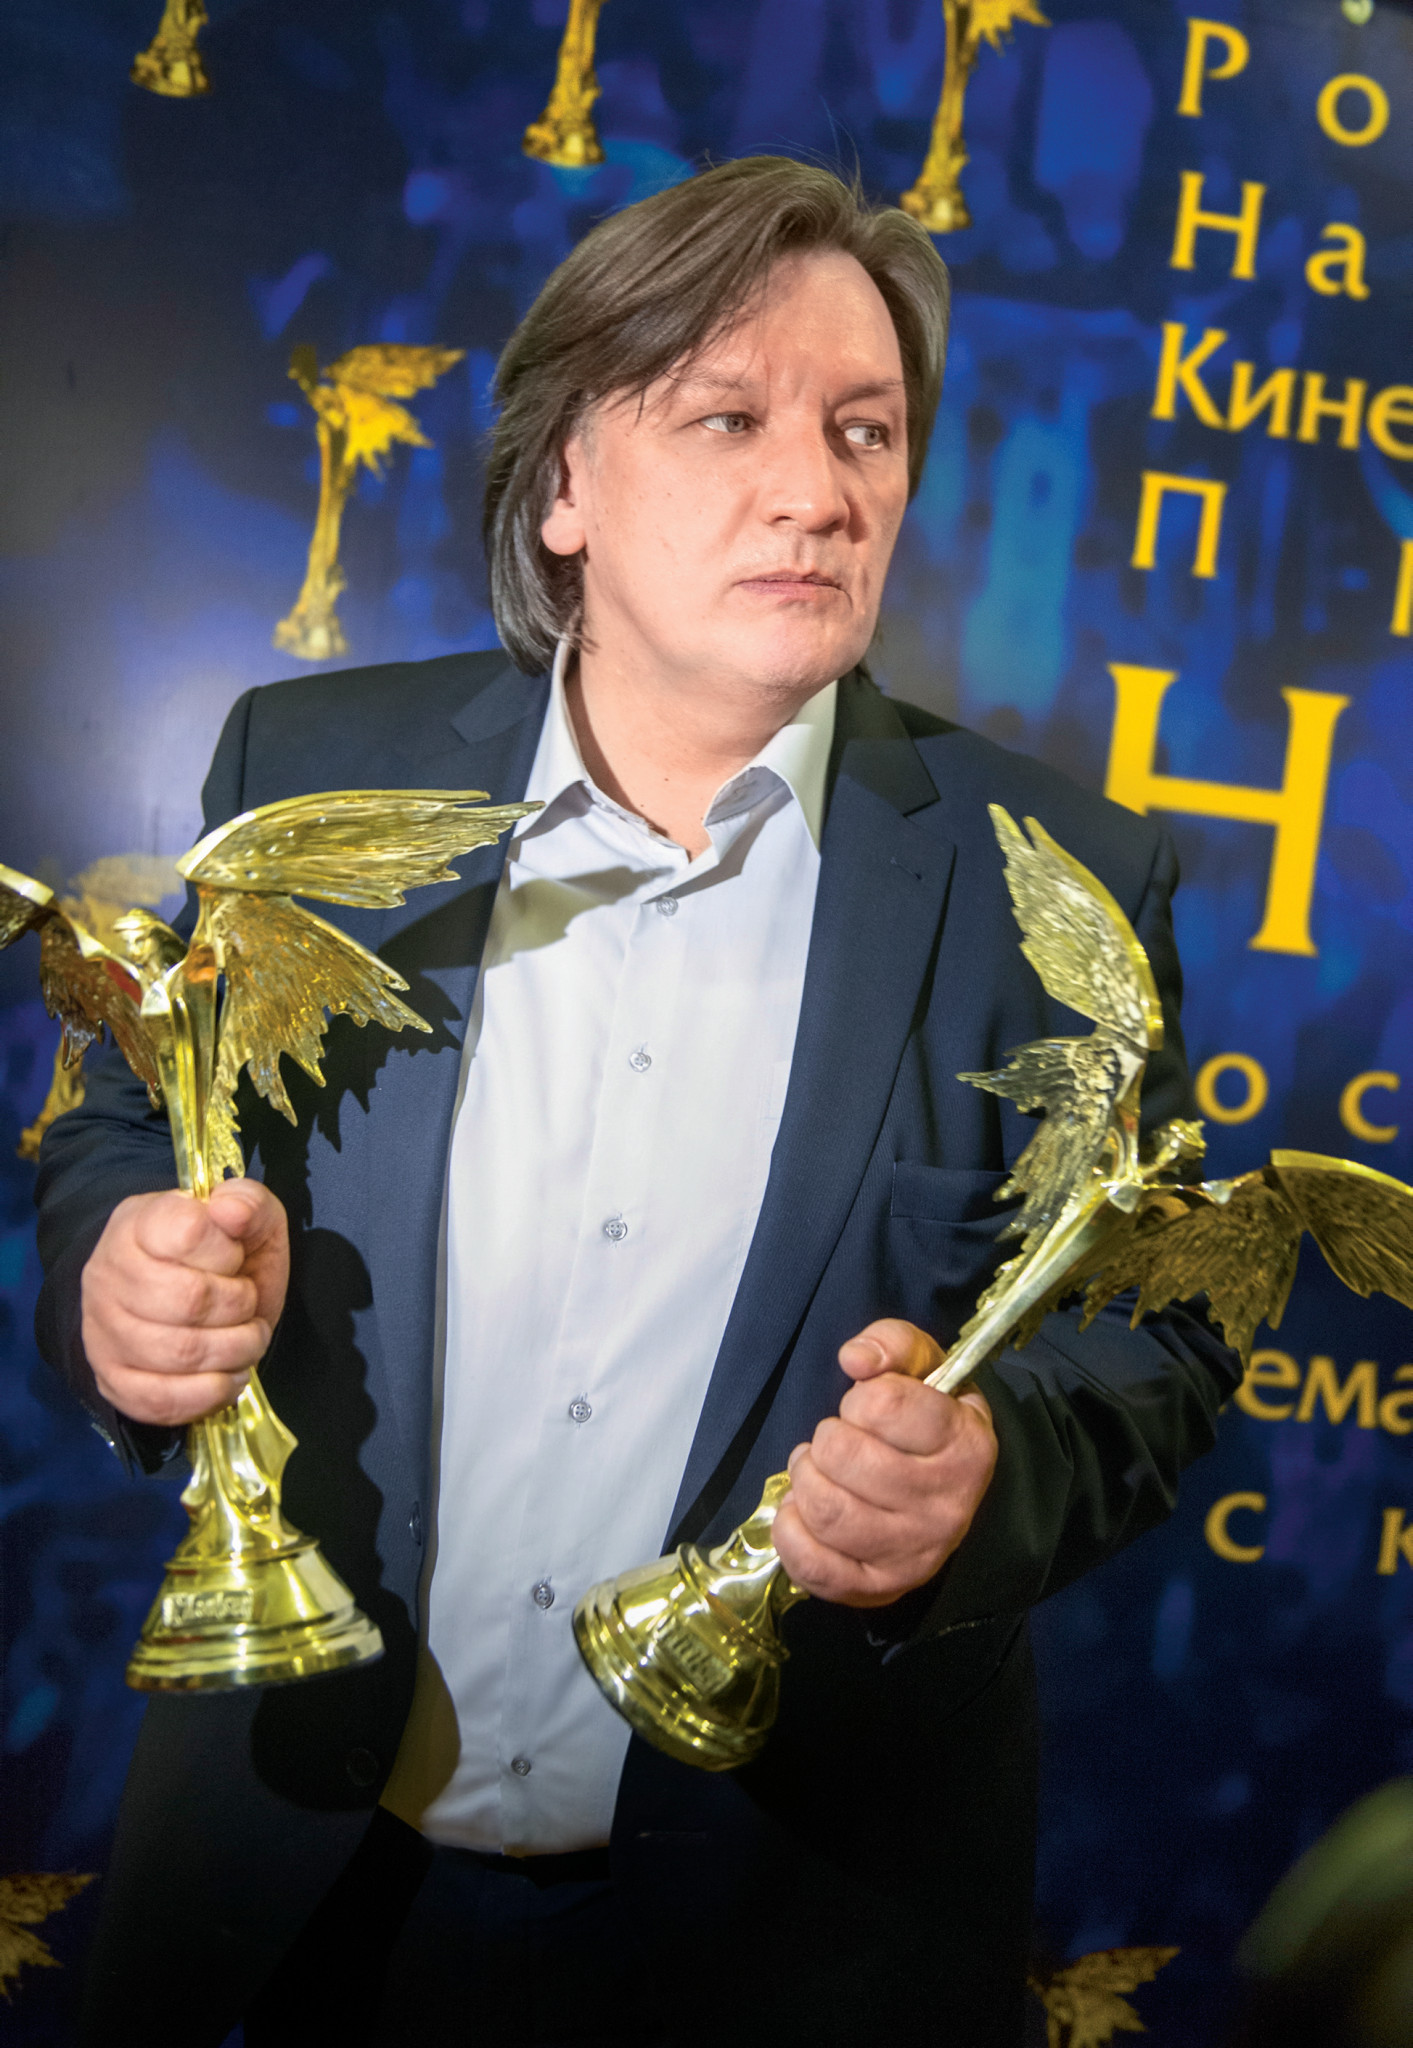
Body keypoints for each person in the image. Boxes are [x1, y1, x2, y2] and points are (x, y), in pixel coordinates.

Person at [35, 156, 1238, 2048]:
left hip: (798, 1943)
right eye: (728, 418)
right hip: (298, 1891)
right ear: (566, 486)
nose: (817, 490)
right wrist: (117, 1274)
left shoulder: (1054, 879)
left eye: (864, 431)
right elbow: (130, 1126)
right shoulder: (306, 769)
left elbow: (1156, 1330)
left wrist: (981, 1478)